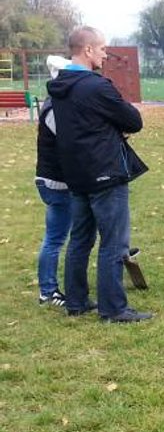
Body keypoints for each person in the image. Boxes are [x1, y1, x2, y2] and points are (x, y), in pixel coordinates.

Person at [47, 25, 151, 322]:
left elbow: (83, 125)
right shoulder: (96, 86)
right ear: (88, 50)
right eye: (103, 49)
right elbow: (133, 120)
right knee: (113, 243)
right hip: (105, 173)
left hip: (76, 174)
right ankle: (113, 308)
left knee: (80, 239)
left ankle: (76, 301)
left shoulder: (60, 87)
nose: (105, 55)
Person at [34, 56, 73, 307]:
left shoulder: (56, 104)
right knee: (56, 238)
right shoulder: (55, 109)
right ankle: (47, 291)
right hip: (56, 183)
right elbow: (71, 142)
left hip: (58, 180)